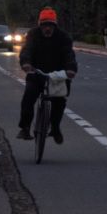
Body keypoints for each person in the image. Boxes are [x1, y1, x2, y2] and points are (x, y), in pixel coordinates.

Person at [17, 8, 77, 143]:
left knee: (60, 101)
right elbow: (27, 50)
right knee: (28, 96)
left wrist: (71, 70)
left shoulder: (64, 37)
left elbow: (69, 55)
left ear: (55, 25)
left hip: (57, 76)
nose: (47, 28)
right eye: (44, 25)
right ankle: (25, 128)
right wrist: (26, 64)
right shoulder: (33, 35)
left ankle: (55, 128)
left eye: (50, 25)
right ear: (40, 25)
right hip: (37, 73)